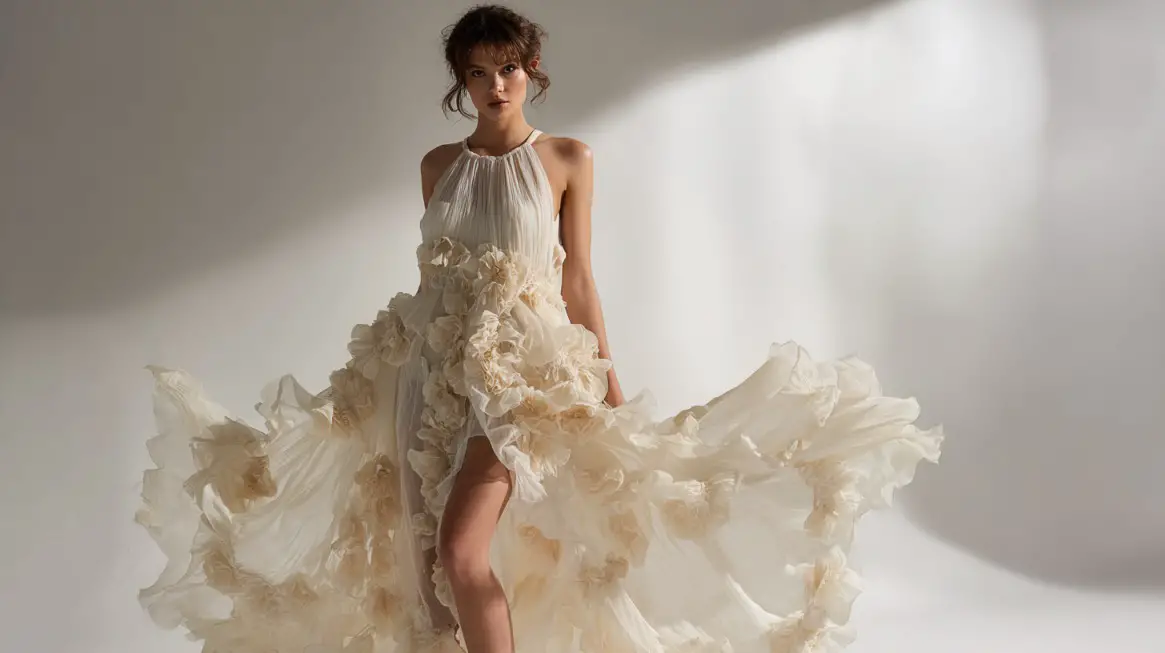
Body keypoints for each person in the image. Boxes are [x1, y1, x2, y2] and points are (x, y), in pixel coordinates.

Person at [136, 5, 943, 653]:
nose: (496, 85)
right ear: (461, 81)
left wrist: (607, 380)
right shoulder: (436, 167)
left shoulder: (565, 157)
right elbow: (440, 283)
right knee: (428, 570)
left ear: (532, 71)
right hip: (430, 376)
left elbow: (576, 276)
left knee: (461, 549)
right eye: (479, 73)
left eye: (508, 69)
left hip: (521, 378)